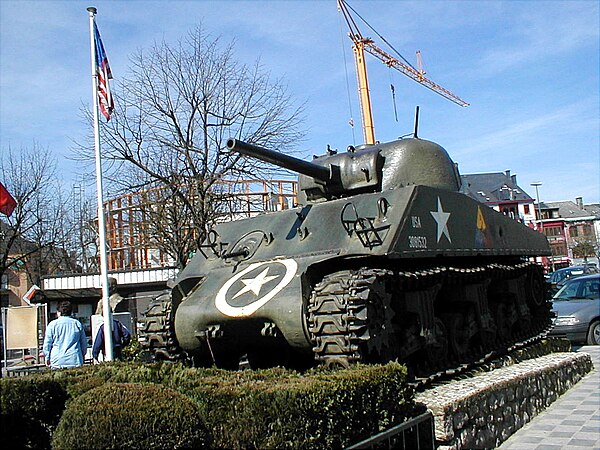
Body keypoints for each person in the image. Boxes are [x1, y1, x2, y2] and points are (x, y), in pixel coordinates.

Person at [42, 301, 88, 369]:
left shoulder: (52, 325)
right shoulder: (77, 324)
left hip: (57, 361)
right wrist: (82, 355)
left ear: (59, 312)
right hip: (75, 359)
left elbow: (47, 344)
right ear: (71, 312)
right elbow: (83, 343)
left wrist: (47, 357)